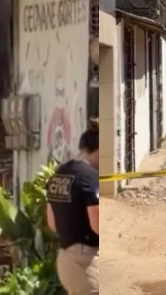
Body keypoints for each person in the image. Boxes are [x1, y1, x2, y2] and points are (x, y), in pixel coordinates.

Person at [46, 119, 99, 295]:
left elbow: (53, 223)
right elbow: (97, 225)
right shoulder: (90, 178)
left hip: (66, 258)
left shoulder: (59, 174)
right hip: (86, 260)